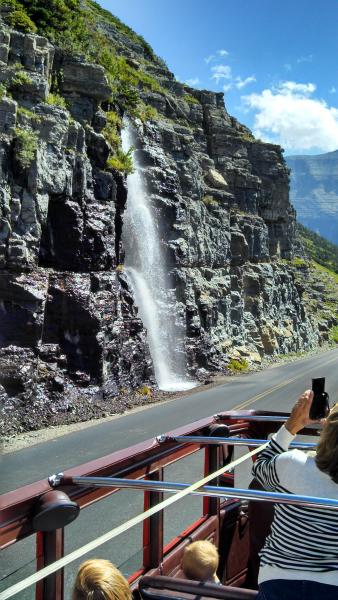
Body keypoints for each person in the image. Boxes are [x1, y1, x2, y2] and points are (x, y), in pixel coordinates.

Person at [252, 390, 338, 600]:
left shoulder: (291, 464)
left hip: (276, 582)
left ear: (326, 429)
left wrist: (292, 424)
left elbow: (260, 468)